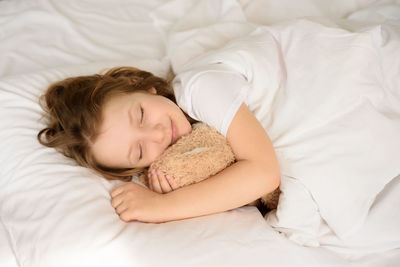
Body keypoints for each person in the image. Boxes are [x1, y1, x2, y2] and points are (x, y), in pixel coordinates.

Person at [37, 66, 281, 223]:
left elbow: (264, 173)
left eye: (141, 115)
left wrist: (162, 206)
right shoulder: (193, 150)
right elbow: (250, 191)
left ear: (141, 87)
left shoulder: (200, 88)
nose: (157, 134)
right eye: (140, 151)